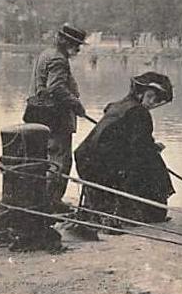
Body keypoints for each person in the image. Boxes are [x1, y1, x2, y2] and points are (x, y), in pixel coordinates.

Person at [74, 72, 175, 228]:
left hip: (85, 159)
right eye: (150, 97)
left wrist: (149, 147)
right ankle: (149, 212)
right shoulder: (139, 112)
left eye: (156, 100)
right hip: (102, 165)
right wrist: (154, 149)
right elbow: (140, 149)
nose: (152, 103)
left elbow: (128, 141)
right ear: (140, 93)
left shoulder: (116, 105)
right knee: (155, 165)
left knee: (148, 159)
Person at [28, 23, 88, 211]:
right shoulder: (59, 59)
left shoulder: (47, 53)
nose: (77, 48)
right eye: (74, 43)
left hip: (39, 114)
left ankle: (45, 199)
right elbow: (56, 88)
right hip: (54, 117)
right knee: (60, 160)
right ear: (63, 40)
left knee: (46, 159)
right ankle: (52, 202)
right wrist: (76, 104)